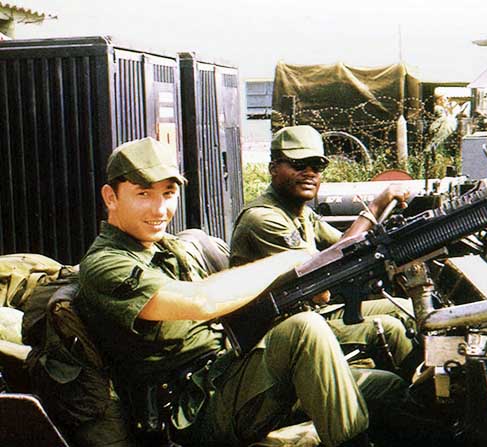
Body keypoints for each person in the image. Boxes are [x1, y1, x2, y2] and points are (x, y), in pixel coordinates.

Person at [75, 137, 416, 447]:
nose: (160, 209)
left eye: (168, 194)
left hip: (226, 374)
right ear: (111, 197)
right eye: (143, 194)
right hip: (189, 410)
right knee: (303, 331)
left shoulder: (166, 247)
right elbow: (201, 301)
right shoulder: (106, 264)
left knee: (386, 389)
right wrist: (291, 260)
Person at [229, 125, 419, 378]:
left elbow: (342, 244)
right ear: (273, 169)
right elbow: (322, 278)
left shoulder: (300, 211)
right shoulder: (263, 218)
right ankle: (413, 401)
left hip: (305, 312)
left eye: (317, 167)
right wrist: (374, 207)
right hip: (278, 331)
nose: (309, 173)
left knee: (407, 308)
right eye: (299, 164)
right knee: (391, 329)